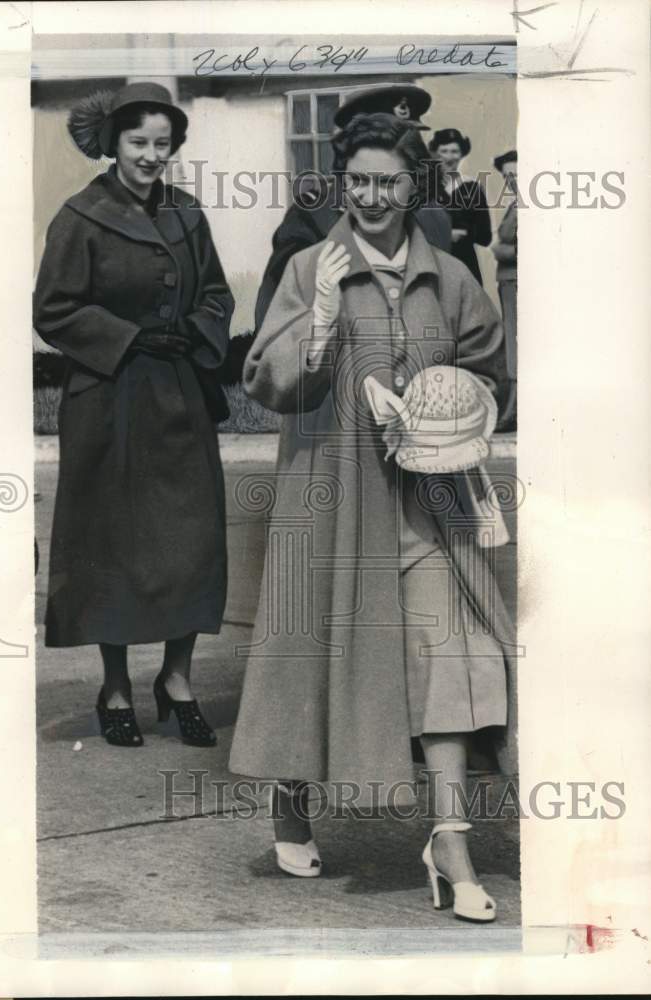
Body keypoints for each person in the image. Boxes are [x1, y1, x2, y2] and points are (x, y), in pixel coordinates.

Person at [229, 113, 517, 923]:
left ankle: (450, 841)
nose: (371, 196)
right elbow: (269, 383)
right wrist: (321, 324)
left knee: (454, 660)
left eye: (387, 180)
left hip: (429, 503)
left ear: (414, 185)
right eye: (356, 179)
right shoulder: (307, 268)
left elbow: (488, 369)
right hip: (329, 496)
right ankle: (291, 802)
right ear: (339, 182)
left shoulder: (449, 274)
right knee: (310, 657)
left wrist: (456, 400)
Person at [34, 82, 234, 748]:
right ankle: (115, 685)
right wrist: (126, 337)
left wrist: (193, 333)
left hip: (178, 393)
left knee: (188, 541)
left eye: (161, 144)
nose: (150, 156)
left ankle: (176, 680)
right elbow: (54, 308)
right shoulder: (81, 216)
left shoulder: (186, 214)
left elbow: (214, 294)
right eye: (137, 142)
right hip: (108, 398)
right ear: (114, 143)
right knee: (111, 543)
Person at [253, 83, 451, 332]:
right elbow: (276, 313)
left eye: (406, 136)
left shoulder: (434, 213)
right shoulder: (314, 211)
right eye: (382, 137)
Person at [429, 128, 492, 285]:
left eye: (454, 151)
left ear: (462, 154)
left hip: (464, 264)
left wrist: (464, 233)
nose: (449, 157)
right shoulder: (426, 188)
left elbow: (485, 237)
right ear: (436, 154)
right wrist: (445, 235)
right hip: (432, 263)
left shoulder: (473, 188)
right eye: (444, 151)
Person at [491, 150, 518, 432]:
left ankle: (514, 409)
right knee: (512, 340)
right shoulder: (515, 204)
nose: (512, 180)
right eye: (508, 175)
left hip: (519, 279)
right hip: (509, 280)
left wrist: (502, 251)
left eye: (517, 173)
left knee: (516, 342)